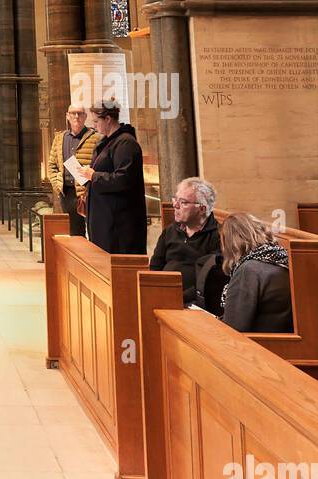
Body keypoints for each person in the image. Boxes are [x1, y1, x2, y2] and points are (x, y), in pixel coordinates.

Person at [149, 177, 225, 312]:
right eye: (175, 199)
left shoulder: (219, 237)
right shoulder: (171, 231)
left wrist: (176, 297)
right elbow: (155, 267)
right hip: (162, 298)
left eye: (183, 202)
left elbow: (209, 282)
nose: (175, 205)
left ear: (202, 209)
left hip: (194, 306)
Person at [80, 102, 147, 254]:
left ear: (108, 119)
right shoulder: (107, 141)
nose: (94, 125)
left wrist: (94, 176)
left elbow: (123, 179)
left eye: (97, 121)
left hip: (118, 224)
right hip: (105, 218)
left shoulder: (126, 143)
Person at [220, 212, 293, 334]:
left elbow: (233, 329)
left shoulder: (248, 270)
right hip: (284, 341)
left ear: (230, 244)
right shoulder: (282, 259)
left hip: (258, 345)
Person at [47, 105, 98, 236]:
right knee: (75, 233)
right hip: (67, 193)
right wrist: (57, 186)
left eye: (80, 114)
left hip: (88, 192)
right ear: (67, 116)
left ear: (85, 117)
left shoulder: (95, 138)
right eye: (73, 113)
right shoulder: (59, 139)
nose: (76, 117)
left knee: (95, 231)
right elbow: (52, 165)